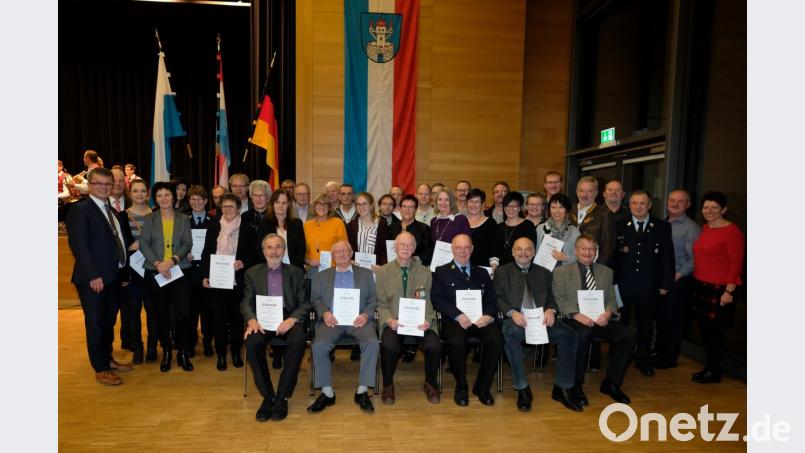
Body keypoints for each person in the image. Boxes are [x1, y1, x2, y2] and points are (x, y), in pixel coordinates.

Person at [495, 237, 581, 412]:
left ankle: (562, 388)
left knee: (569, 335)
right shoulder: (503, 272)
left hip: (542, 321)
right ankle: (522, 388)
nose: (524, 253)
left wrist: (551, 310)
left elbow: (552, 296)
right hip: (517, 321)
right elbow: (497, 298)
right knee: (509, 335)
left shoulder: (544, 272)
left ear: (534, 253)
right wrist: (512, 313)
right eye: (519, 249)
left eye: (528, 249)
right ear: (512, 252)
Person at [66, 167, 134, 385]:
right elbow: (79, 245)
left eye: (108, 184)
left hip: (113, 278)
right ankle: (101, 368)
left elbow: (118, 244)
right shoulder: (81, 210)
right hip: (93, 280)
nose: (104, 187)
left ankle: (107, 358)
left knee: (107, 322)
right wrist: (93, 275)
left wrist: (123, 272)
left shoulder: (111, 210)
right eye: (99, 184)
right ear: (90, 185)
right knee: (95, 323)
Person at [553, 235, 636, 405]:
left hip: (599, 319)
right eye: (584, 248)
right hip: (573, 318)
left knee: (628, 335)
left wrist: (608, 313)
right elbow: (559, 299)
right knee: (582, 334)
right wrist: (576, 314)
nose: (588, 252)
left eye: (592, 249)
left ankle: (611, 383)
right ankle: (576, 384)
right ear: (576, 251)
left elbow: (612, 300)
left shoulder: (606, 272)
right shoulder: (561, 272)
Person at [242, 234, 310, 421]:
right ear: (264, 251)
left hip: (287, 319)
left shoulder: (296, 273)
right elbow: (245, 303)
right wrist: (252, 320)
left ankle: (282, 396)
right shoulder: (252, 273)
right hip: (262, 320)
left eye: (278, 247)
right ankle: (268, 396)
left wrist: (293, 319)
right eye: (270, 247)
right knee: (252, 342)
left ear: (284, 250)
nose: (274, 251)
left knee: (298, 340)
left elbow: (305, 303)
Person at [431, 234, 503, 407]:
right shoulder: (442, 271)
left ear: (472, 250)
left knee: (496, 339)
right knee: (456, 342)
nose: (462, 251)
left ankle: (482, 387)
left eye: (466, 248)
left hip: (480, 320)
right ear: (452, 249)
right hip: (454, 321)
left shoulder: (482, 272)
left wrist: (489, 315)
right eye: (458, 247)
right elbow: (437, 299)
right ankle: (461, 386)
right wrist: (457, 314)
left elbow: (492, 300)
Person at [307, 240, 379, 413]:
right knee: (319, 345)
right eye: (337, 252)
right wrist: (325, 313)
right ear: (332, 256)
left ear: (351, 252)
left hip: (358, 321)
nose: (341, 254)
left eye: (344, 251)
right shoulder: (321, 275)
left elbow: (374, 299)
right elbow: (315, 299)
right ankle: (326, 392)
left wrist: (365, 315)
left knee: (372, 343)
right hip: (332, 321)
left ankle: (362, 391)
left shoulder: (366, 274)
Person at [613, 190, 675, 377]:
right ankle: (619, 359)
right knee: (621, 324)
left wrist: (665, 283)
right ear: (629, 205)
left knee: (646, 325)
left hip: (649, 284)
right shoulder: (620, 225)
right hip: (623, 285)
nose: (638, 207)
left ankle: (643, 360)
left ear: (649, 205)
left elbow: (668, 257)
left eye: (642, 203)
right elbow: (614, 255)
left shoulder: (662, 226)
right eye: (634, 203)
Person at [375, 232, 441, 404]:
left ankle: (431, 383)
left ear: (414, 248)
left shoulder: (425, 273)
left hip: (420, 323)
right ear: (395, 247)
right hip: (394, 322)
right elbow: (381, 304)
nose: (406, 248)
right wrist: (389, 319)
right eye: (402, 245)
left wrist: (427, 320)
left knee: (434, 345)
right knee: (389, 345)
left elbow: (428, 301)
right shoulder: (382, 273)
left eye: (410, 245)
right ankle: (388, 385)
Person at [138, 181, 194, 372]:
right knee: (160, 314)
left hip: (179, 271)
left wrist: (172, 261)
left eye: (167, 195)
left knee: (183, 314)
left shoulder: (184, 219)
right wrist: (158, 264)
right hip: (156, 272)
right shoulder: (149, 219)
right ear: (155, 198)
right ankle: (167, 352)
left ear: (173, 197)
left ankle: (183, 352)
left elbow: (187, 243)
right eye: (159, 195)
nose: (163, 198)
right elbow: (144, 244)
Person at [201, 193, 260, 371]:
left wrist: (244, 262)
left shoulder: (247, 228)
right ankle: (221, 355)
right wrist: (205, 275)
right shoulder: (213, 227)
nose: (227, 210)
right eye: (224, 207)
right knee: (218, 320)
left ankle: (235, 352)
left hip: (237, 282)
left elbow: (255, 254)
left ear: (238, 209)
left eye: (231, 207)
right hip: (217, 281)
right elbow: (205, 254)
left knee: (236, 320)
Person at [690, 191, 744, 384]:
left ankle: (714, 370)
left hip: (720, 289)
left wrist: (729, 291)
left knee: (714, 332)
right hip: (701, 285)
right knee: (705, 330)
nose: (709, 211)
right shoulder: (705, 228)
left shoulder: (732, 231)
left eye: (714, 207)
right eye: (706, 207)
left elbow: (736, 263)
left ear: (724, 209)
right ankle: (710, 367)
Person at [657, 189, 700, 369]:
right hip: (661, 280)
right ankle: (659, 351)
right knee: (661, 319)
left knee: (674, 320)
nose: (675, 204)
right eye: (672, 200)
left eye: (680, 201)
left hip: (678, 281)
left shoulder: (691, 228)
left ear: (688, 205)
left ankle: (669, 357)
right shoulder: (662, 222)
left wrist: (676, 276)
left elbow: (694, 259)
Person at [121, 179, 158, 364]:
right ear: (130, 193)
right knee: (133, 311)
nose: (139, 194)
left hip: (152, 270)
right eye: (135, 191)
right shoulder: (121, 216)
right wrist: (129, 246)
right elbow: (117, 244)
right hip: (132, 271)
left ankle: (152, 347)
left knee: (153, 311)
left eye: (143, 191)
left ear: (148, 193)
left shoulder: (157, 215)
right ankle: (138, 347)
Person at [186, 185, 216, 357]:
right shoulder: (183, 221)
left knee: (207, 311)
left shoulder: (214, 222)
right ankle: (190, 343)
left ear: (206, 201)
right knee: (190, 311)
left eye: (200, 199)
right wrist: (184, 255)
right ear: (189, 202)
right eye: (193, 199)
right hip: (189, 273)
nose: (196, 202)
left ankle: (207, 341)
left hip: (207, 273)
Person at [570, 176, 615, 266]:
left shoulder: (604, 214)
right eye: (581, 191)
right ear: (577, 192)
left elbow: (607, 249)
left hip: (592, 267)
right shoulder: (568, 211)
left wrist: (594, 269)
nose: (584, 195)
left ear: (596, 193)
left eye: (589, 191)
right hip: (567, 265)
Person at [258, 190, 307, 270]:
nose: (280, 205)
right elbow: (260, 249)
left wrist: (292, 268)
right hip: (271, 268)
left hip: (294, 269)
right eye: (277, 202)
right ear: (272, 204)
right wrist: (273, 266)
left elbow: (301, 249)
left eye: (284, 203)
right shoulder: (264, 223)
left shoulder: (297, 223)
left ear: (288, 205)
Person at [304, 193, 348, 274]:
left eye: (325, 204)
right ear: (314, 206)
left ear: (329, 207)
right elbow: (303, 251)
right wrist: (309, 261)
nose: (322, 206)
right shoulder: (307, 225)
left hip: (334, 269)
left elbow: (345, 249)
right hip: (312, 269)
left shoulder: (338, 223)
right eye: (319, 204)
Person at [536, 193, 581, 266]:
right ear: (549, 209)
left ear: (567, 209)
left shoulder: (575, 232)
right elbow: (536, 252)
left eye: (561, 207)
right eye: (553, 207)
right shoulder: (540, 229)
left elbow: (579, 258)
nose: (557, 211)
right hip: (543, 272)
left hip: (565, 273)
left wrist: (565, 258)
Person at [347, 192, 389, 269]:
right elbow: (348, 247)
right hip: (356, 269)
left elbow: (385, 250)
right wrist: (349, 260)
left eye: (364, 204)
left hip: (375, 269)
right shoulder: (351, 225)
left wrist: (382, 267)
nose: (361, 207)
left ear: (371, 205)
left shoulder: (382, 225)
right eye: (358, 204)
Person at [388, 194, 432, 265]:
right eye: (404, 206)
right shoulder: (391, 228)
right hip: (393, 268)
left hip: (415, 269)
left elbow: (429, 253)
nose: (407, 210)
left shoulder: (424, 229)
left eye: (411, 207)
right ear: (400, 208)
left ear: (416, 210)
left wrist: (415, 259)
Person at [495, 191, 536, 266]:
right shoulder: (498, 227)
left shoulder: (528, 226)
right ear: (504, 208)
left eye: (514, 206)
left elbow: (531, 251)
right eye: (508, 206)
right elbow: (495, 252)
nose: (511, 209)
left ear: (520, 208)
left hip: (522, 269)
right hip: (502, 270)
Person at [465, 188, 498, 270]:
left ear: (482, 204)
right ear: (467, 203)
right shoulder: (461, 221)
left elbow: (494, 249)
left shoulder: (490, 223)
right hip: (463, 267)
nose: (473, 205)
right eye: (471, 201)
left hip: (484, 269)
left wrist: (494, 268)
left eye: (477, 202)